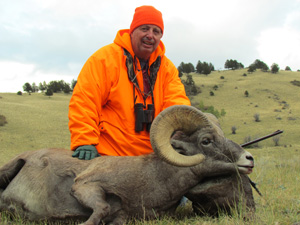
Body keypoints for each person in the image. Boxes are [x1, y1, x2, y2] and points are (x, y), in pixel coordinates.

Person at [69, 5, 191, 160]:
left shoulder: (167, 69)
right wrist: (84, 141)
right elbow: (85, 101)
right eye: (145, 29)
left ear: (161, 36)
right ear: (132, 31)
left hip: (153, 159)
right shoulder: (105, 59)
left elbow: (177, 105)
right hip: (108, 155)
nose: (150, 35)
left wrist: (179, 135)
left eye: (156, 31)